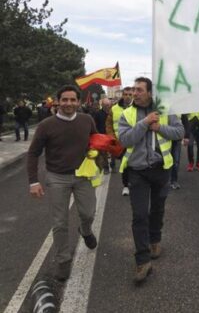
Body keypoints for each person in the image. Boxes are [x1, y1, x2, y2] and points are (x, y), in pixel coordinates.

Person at [27, 85, 99, 282]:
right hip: (57, 177)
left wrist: (98, 154)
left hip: (83, 176)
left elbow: (95, 141)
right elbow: (33, 153)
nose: (69, 103)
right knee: (59, 222)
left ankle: (85, 230)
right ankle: (63, 261)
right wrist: (33, 181)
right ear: (58, 101)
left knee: (88, 213)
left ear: (78, 102)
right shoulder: (46, 125)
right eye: (64, 100)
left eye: (72, 100)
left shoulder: (87, 120)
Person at [118, 77, 184, 283]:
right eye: (134, 89)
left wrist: (159, 128)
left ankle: (155, 238)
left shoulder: (166, 109)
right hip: (137, 171)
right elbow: (125, 139)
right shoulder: (127, 113)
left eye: (139, 89)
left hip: (161, 169)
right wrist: (145, 124)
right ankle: (142, 261)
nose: (134, 93)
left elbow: (179, 132)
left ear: (149, 92)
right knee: (139, 215)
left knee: (157, 209)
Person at [106, 86, 133, 196]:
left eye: (130, 94)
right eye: (125, 94)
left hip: (135, 141)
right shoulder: (114, 108)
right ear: (122, 95)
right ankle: (126, 186)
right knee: (125, 165)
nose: (127, 96)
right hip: (120, 142)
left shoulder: (138, 107)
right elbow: (108, 124)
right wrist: (112, 138)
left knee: (135, 165)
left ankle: (135, 184)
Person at [93, 98, 112, 174]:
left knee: (113, 151)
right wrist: (97, 134)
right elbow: (95, 124)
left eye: (108, 105)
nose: (107, 106)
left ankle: (113, 165)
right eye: (105, 105)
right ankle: (106, 167)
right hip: (102, 135)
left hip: (111, 135)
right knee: (104, 153)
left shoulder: (112, 112)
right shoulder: (98, 114)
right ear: (102, 105)